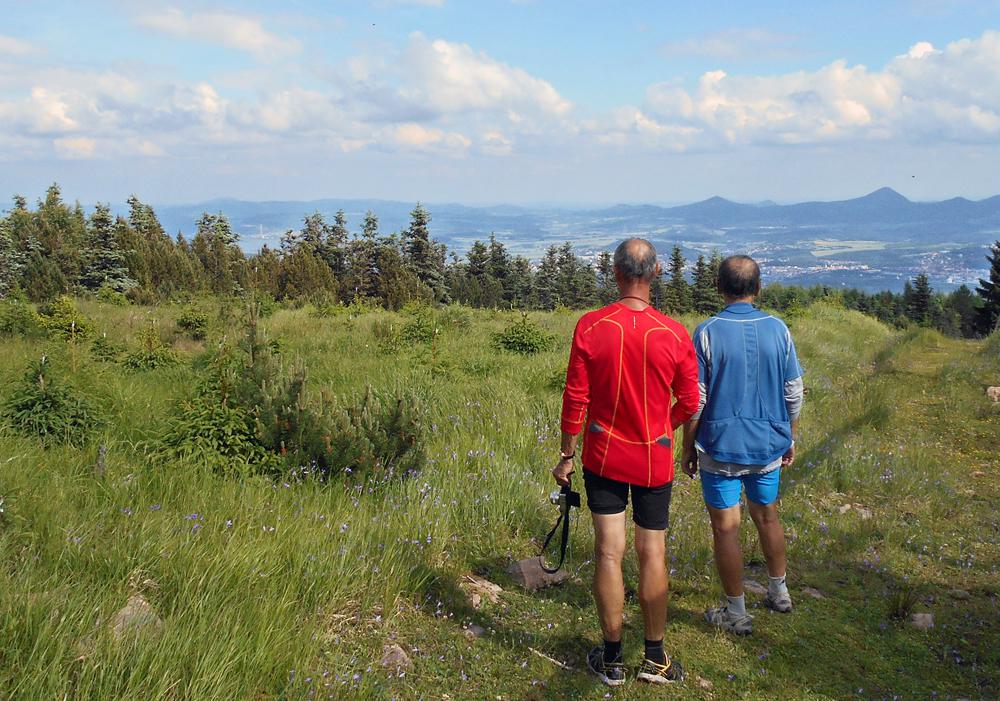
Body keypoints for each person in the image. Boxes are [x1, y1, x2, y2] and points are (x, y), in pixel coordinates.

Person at [553, 238, 699, 686]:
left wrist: (566, 453)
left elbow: (576, 397)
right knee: (652, 551)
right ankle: (655, 657)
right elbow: (691, 401)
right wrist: (663, 425)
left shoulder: (592, 326)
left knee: (608, 552)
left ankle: (613, 657)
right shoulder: (674, 333)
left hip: (603, 452)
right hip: (654, 457)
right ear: (655, 274)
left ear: (615, 274)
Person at [681, 255, 804, 636]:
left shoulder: (706, 332)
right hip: (768, 442)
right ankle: (779, 591)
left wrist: (688, 446)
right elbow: (793, 392)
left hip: (720, 445)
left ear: (719, 288)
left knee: (726, 529)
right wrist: (790, 435)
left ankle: (736, 612)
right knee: (768, 516)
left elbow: (696, 399)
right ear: (758, 288)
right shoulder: (779, 329)